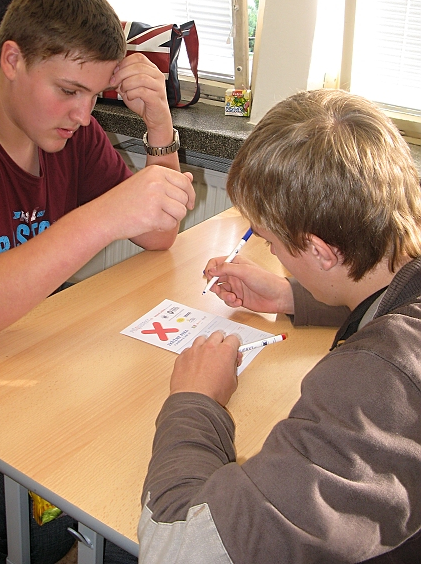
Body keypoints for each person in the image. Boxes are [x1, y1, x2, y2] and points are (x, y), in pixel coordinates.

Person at [0, 0, 195, 564]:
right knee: (39, 526)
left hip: (19, 342)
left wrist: (159, 127)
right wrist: (97, 220)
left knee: (107, 475)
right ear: (12, 59)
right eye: (69, 91)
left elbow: (157, 234)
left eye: (94, 95)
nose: (82, 115)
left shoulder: (67, 131)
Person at [138, 89, 421, 564]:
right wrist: (292, 295)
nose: (270, 253)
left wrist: (196, 401)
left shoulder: (377, 386)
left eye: (271, 242)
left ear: (321, 252)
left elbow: (177, 548)